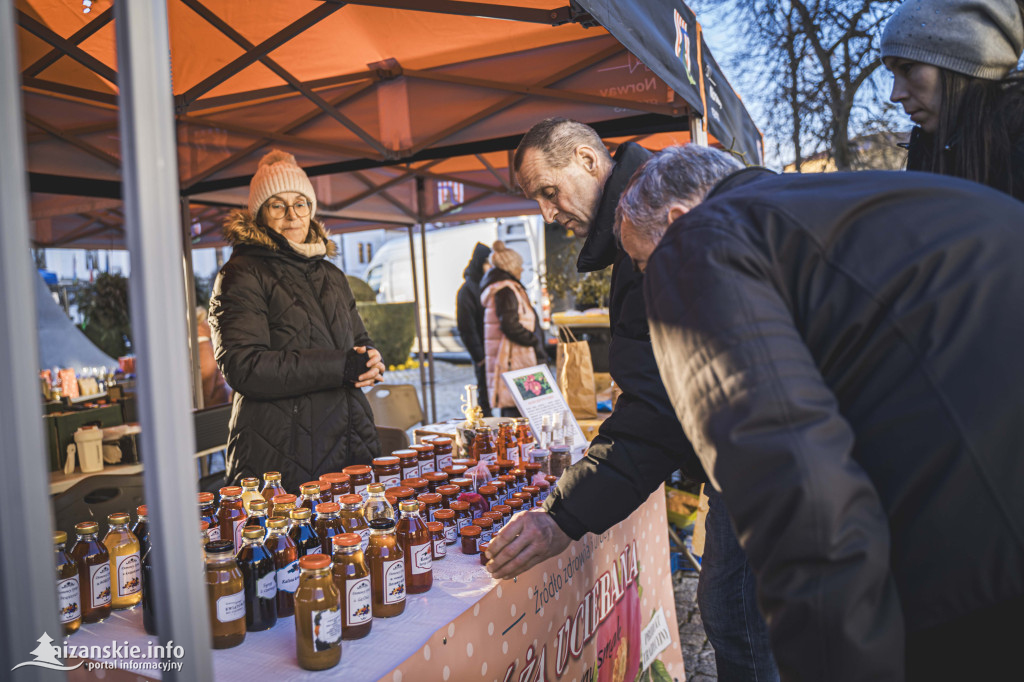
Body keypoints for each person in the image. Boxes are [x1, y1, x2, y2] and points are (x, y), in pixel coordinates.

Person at [615, 144, 1024, 681]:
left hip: (979, 571)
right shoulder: (849, 200)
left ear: (677, 220)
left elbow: (798, 492)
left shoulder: (696, 242)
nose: (650, 281)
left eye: (645, 262)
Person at [488, 118, 780, 682]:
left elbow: (655, 415)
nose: (549, 215)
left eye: (550, 191)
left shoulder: (658, 224)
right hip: (761, 451)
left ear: (587, 160)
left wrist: (564, 517)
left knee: (736, 614)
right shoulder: (653, 222)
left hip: (759, 455)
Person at [209, 150, 384, 493]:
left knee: (356, 543)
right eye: (278, 205)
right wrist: (342, 366)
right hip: (280, 452)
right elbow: (244, 366)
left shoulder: (332, 275)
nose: (292, 214)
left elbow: (358, 339)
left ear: (311, 211)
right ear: (260, 214)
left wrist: (370, 359)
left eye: (301, 203)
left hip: (349, 440)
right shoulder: (241, 273)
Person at [881, 0, 1024, 199]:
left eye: (907, 67)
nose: (895, 95)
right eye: (892, 74)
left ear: (967, 60)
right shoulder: (927, 154)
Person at [480, 241, 546, 418]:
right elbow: (510, 325)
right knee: (516, 412)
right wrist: (533, 339)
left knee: (520, 408)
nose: (522, 270)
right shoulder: (505, 291)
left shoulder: (506, 288)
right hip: (515, 359)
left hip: (516, 358)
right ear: (511, 266)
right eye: (519, 266)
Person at [456, 242, 492, 416]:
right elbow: (466, 327)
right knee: (485, 397)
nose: (490, 267)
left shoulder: (485, 284)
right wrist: (479, 357)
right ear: (480, 263)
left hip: (491, 352)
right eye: (487, 263)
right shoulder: (467, 291)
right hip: (483, 355)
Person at [195, 307, 231, 407]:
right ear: (201, 325)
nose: (208, 323)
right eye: (205, 320)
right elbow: (206, 391)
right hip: (216, 408)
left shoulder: (205, 346)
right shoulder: (204, 350)